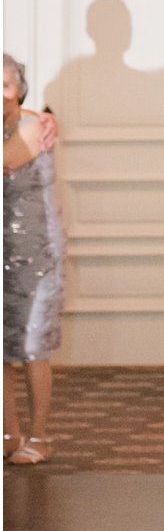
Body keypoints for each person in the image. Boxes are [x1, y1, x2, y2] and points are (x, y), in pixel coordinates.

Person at [3, 54, 65, 466]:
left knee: (31, 346)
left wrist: (37, 115)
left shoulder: (31, 126)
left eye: (5, 86)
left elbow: (7, 161)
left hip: (36, 252)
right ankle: (9, 432)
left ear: (20, 90)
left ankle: (41, 435)